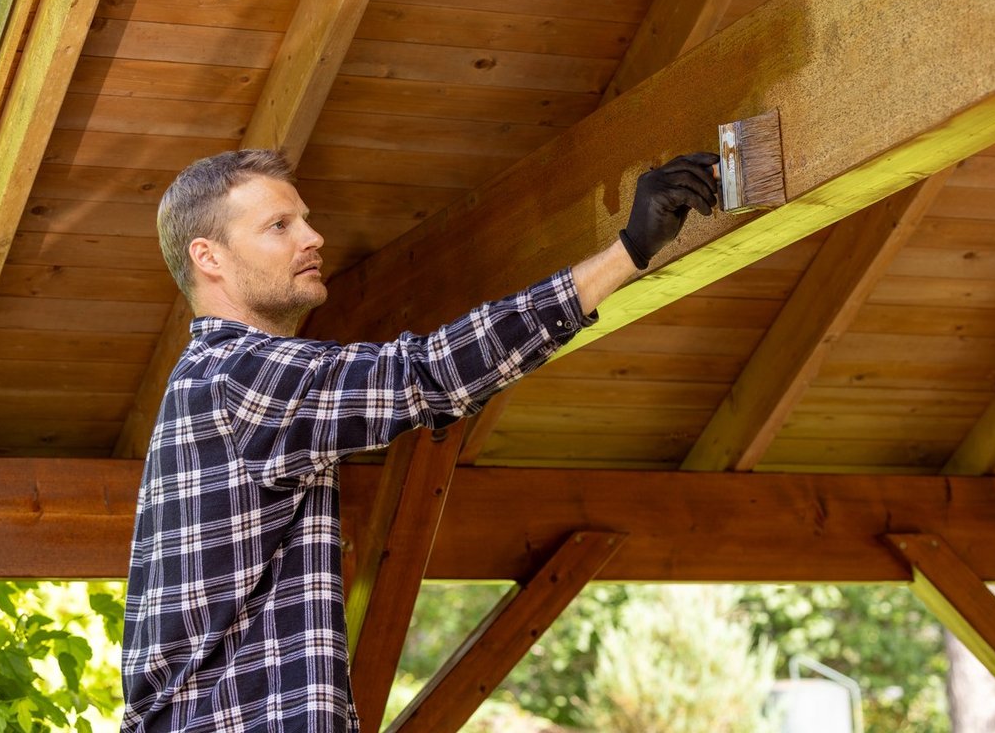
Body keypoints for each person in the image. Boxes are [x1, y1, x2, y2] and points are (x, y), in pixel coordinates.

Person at [121, 148, 720, 732]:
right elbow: (429, 374)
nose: (313, 237)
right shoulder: (239, 377)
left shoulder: (215, 380)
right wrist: (628, 250)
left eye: (304, 218)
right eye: (280, 225)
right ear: (210, 257)